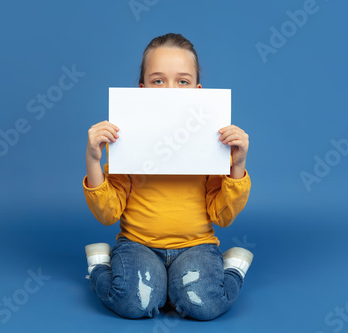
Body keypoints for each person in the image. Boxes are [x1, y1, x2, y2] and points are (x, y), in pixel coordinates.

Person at [83, 33, 253, 320]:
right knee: (135, 303)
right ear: (142, 89)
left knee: (204, 305)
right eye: (158, 80)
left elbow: (221, 216)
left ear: (198, 91)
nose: (170, 90)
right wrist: (93, 160)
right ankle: (99, 266)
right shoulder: (128, 141)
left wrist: (237, 166)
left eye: (182, 81)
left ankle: (232, 269)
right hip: (138, 244)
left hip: (196, 245)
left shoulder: (212, 143)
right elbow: (108, 214)